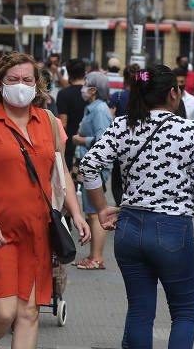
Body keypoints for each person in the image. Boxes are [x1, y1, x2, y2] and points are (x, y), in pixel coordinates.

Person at [80, 65, 194, 348]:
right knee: (183, 312)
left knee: (140, 311)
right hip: (172, 229)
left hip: (129, 228)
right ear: (173, 92)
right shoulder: (190, 130)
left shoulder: (122, 124)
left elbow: (89, 165)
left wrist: (103, 207)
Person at [0, 52, 89, 349]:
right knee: (3, 314)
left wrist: (77, 214)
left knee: (29, 312)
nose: (21, 84)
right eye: (13, 79)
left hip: (38, 232)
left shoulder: (47, 121)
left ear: (37, 84)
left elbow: (61, 173)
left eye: (27, 79)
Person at [70, 72, 113, 270]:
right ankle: (92, 256)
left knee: (95, 213)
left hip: (96, 166)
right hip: (86, 163)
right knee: (90, 211)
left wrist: (81, 140)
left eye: (86, 85)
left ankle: (97, 258)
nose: (83, 88)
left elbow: (103, 140)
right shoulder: (93, 108)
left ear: (94, 90)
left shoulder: (100, 110)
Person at [57, 58, 87, 173]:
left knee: (69, 179)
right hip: (88, 143)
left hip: (70, 145)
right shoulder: (91, 92)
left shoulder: (64, 94)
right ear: (85, 73)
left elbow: (63, 123)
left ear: (68, 73)